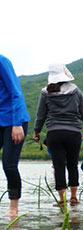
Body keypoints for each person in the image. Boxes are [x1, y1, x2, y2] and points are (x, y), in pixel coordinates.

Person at [33, 64, 83, 207]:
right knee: (72, 164)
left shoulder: (45, 93)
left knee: (59, 165)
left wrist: (36, 131)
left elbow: (40, 115)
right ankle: (74, 197)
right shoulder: (76, 91)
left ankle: (62, 200)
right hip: (73, 133)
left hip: (54, 134)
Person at [0, 54, 30, 217]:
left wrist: (17, 123)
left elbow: (16, 92)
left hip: (14, 120)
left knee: (9, 165)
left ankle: (13, 208)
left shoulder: (2, 61)